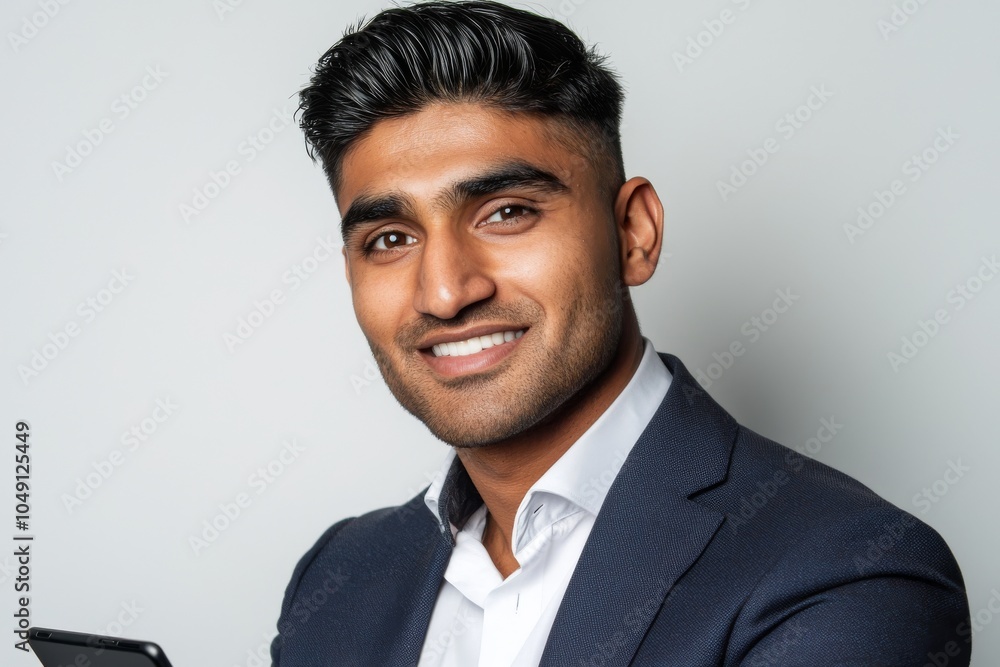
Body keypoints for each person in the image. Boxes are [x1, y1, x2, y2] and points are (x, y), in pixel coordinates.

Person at [270, 2, 970, 665]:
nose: (446, 291)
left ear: (633, 233)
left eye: (507, 212)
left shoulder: (849, 572)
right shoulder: (339, 578)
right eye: (390, 238)